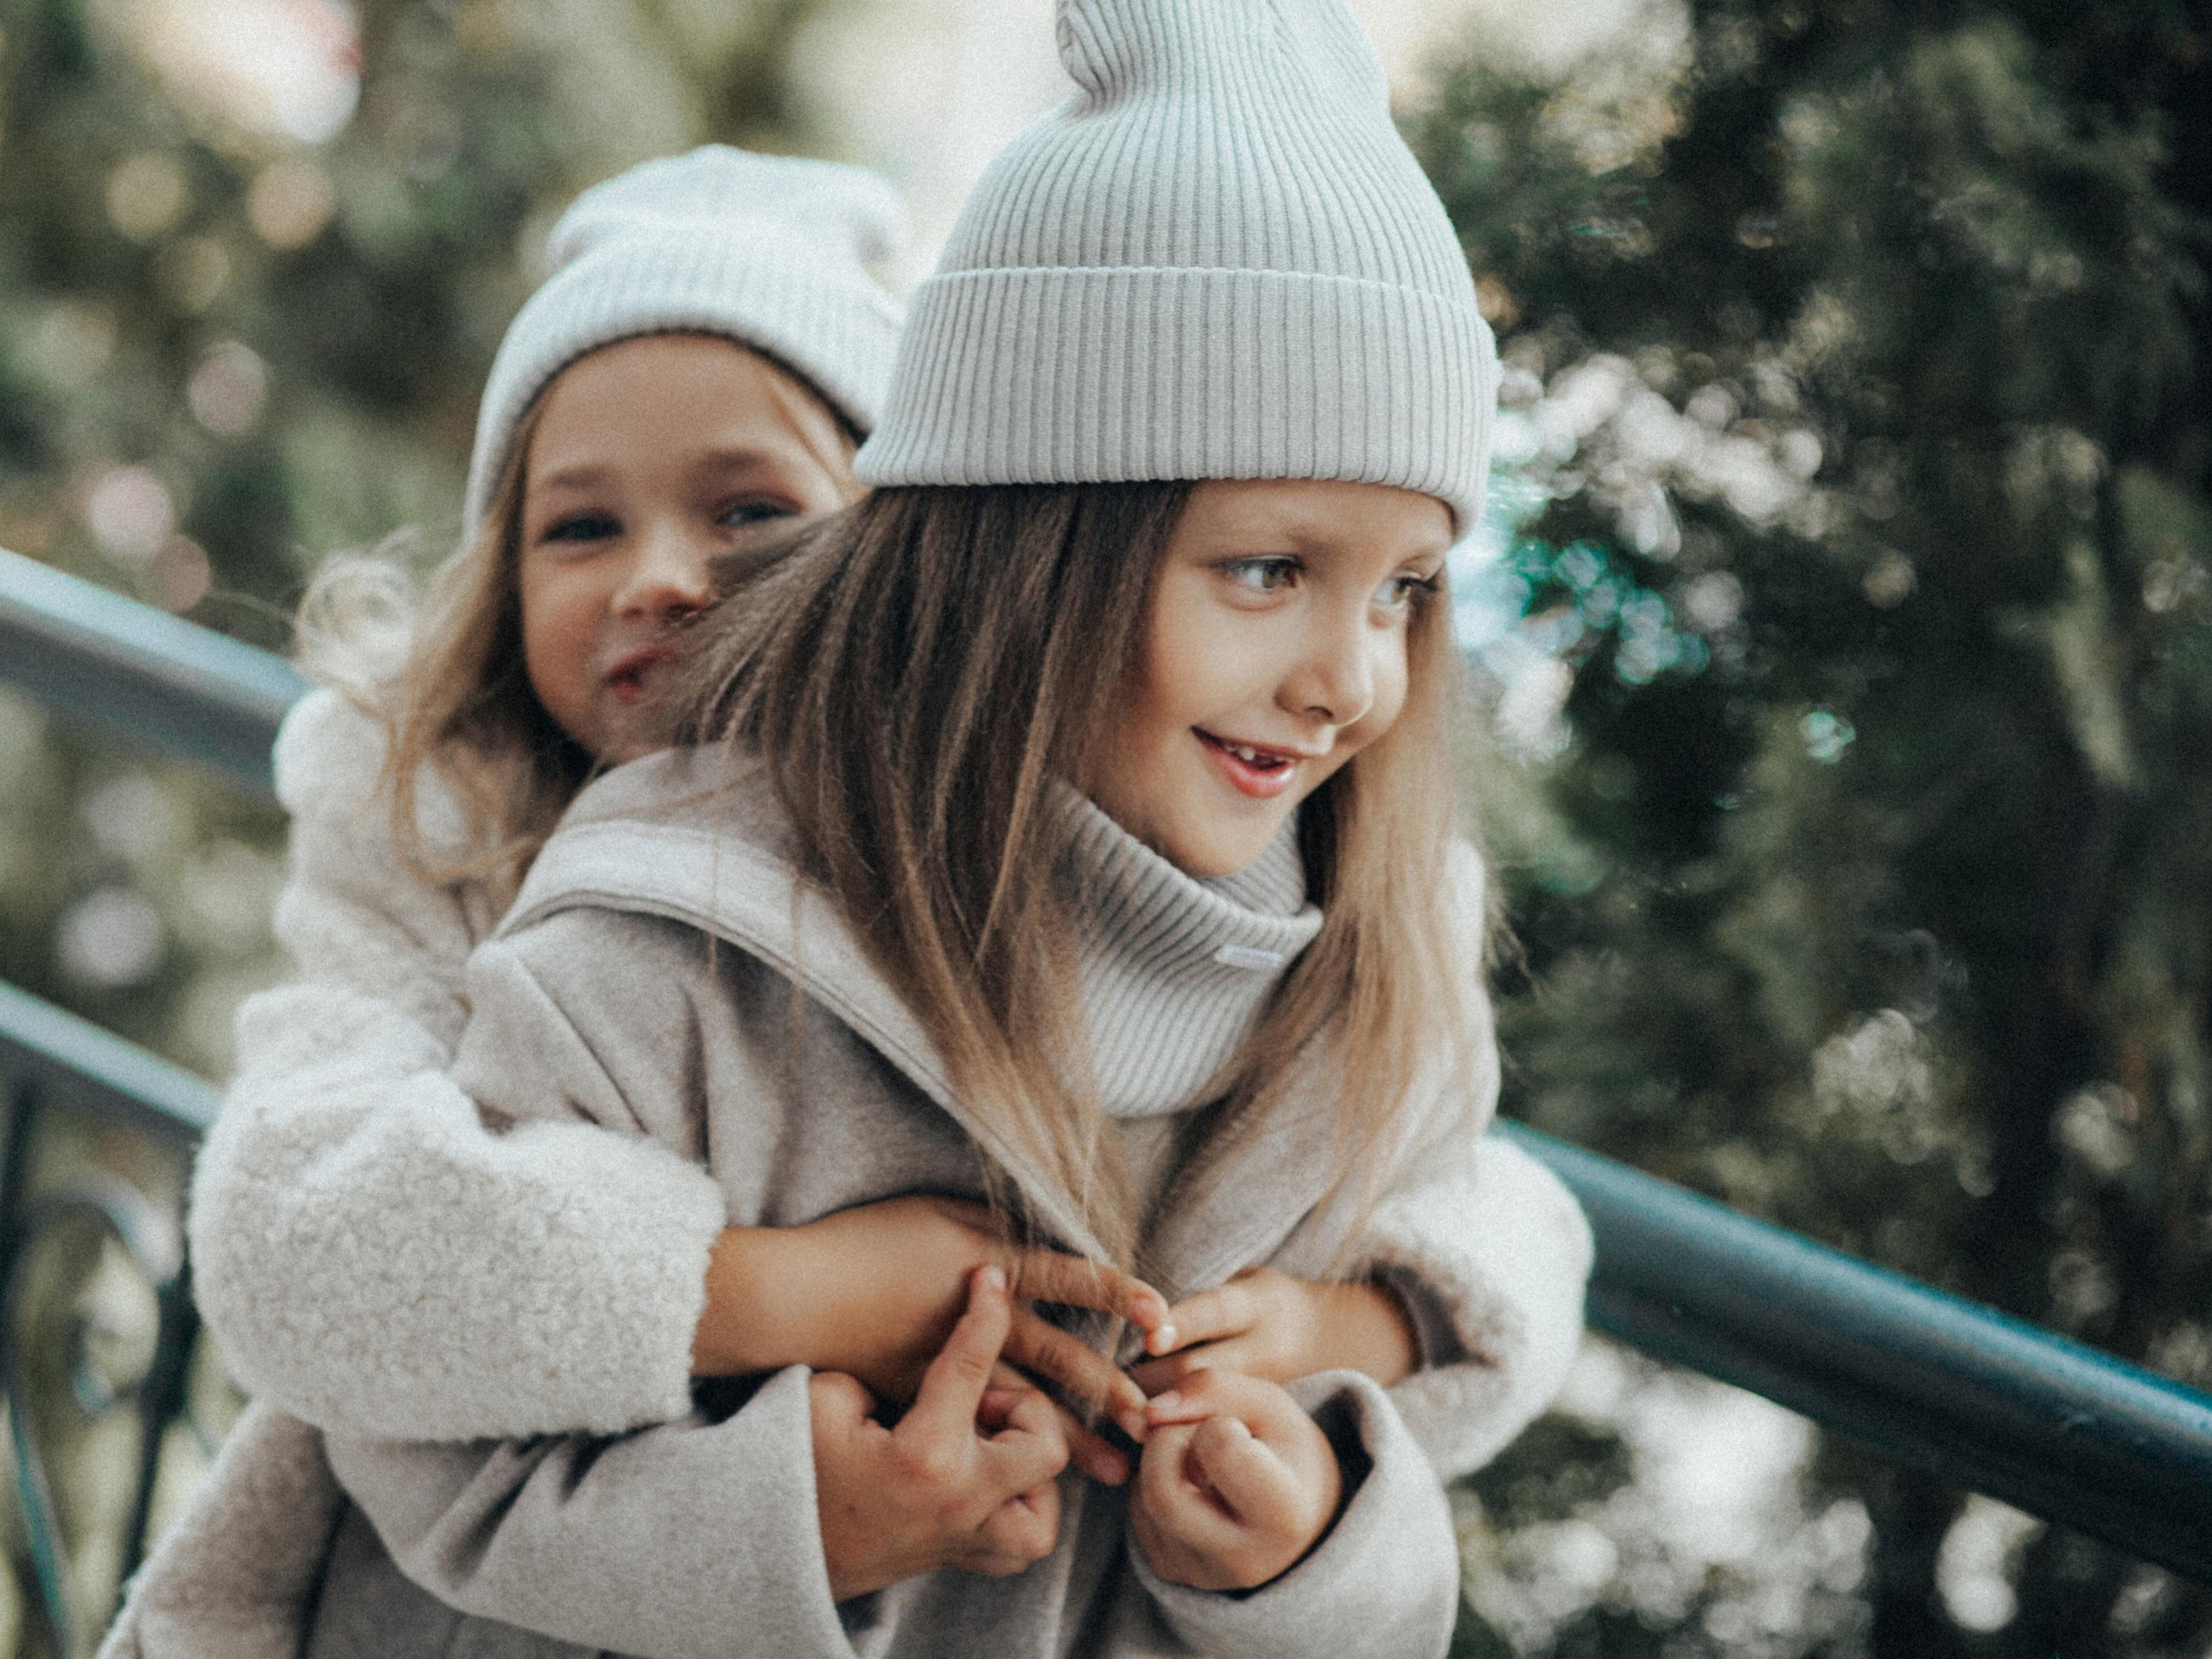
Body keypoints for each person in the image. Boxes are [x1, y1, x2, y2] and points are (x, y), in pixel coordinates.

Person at [279, 0, 1593, 1653]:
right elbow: (424, 1462)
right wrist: (794, 1526)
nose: (1348, 679)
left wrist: (1311, 1544)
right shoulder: (655, 946)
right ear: (1031, 553)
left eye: (1405, 591)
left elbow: (1494, 1273)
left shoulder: (1369, 980)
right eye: (1268, 569)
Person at [99, 143, 1158, 1656]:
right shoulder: (428, 823)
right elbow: (287, 1235)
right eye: (579, 526)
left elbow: (1467, 1182)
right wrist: (795, 1294)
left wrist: (1357, 1333)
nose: (658, 576)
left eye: (747, 512)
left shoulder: (1014, 844)